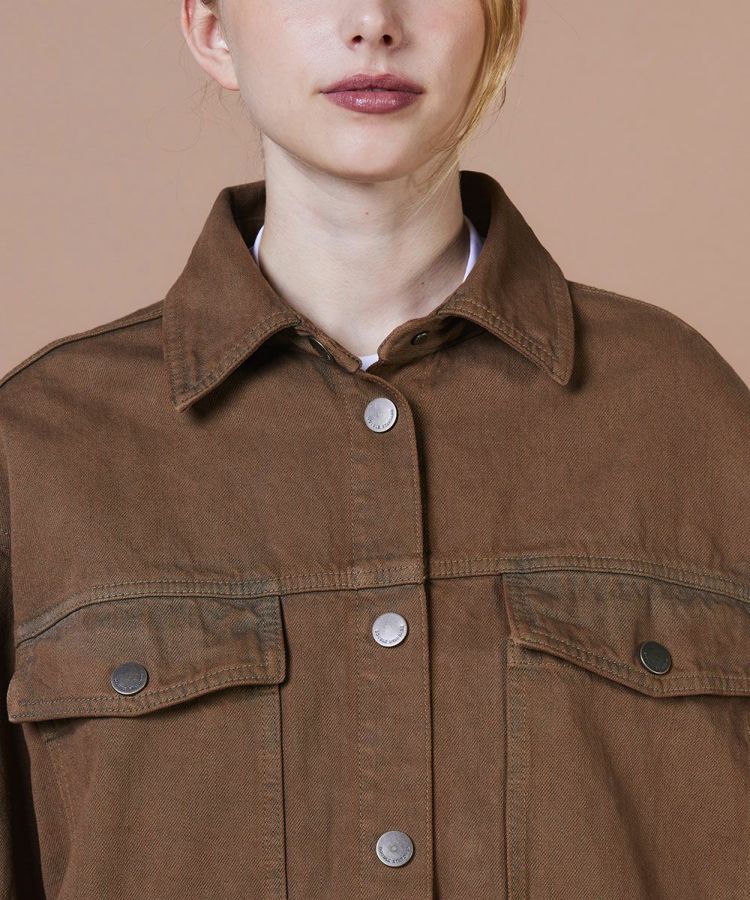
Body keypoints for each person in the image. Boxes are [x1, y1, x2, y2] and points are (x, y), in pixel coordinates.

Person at [1, 1, 748, 897]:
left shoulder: (687, 415)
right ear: (211, 28)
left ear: (500, 21)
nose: (373, 21)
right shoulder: (41, 447)